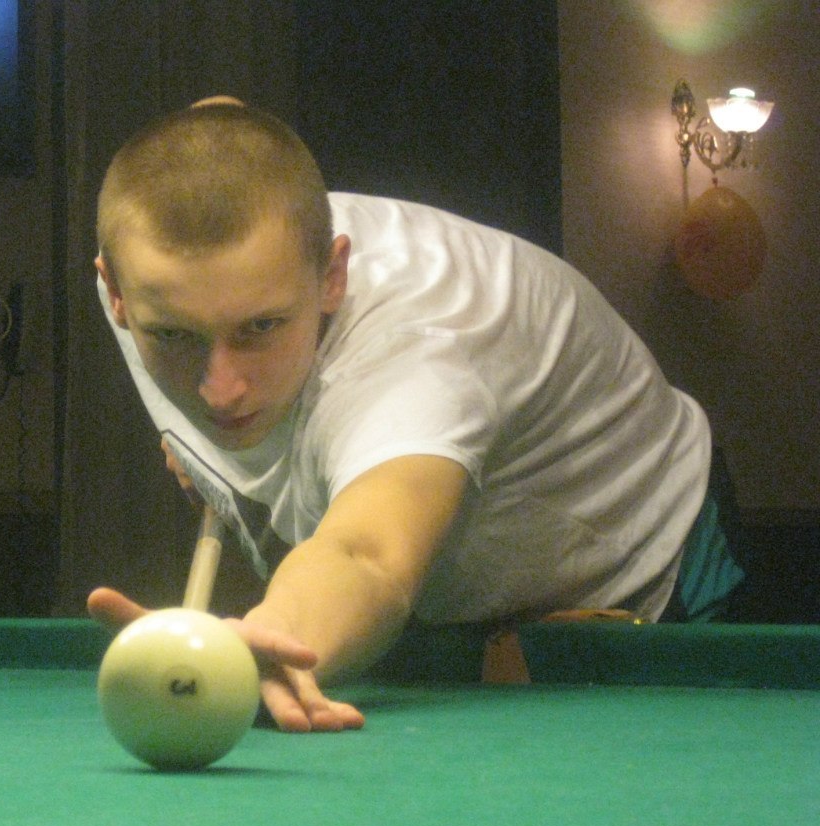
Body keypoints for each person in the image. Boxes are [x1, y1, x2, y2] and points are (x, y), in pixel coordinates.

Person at [86, 98, 743, 733]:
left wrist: (270, 636)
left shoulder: (416, 362)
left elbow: (367, 555)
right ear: (116, 291)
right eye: (172, 336)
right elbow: (216, 118)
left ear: (332, 276)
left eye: (261, 327)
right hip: (460, 595)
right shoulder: (158, 253)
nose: (221, 391)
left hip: (647, 567)